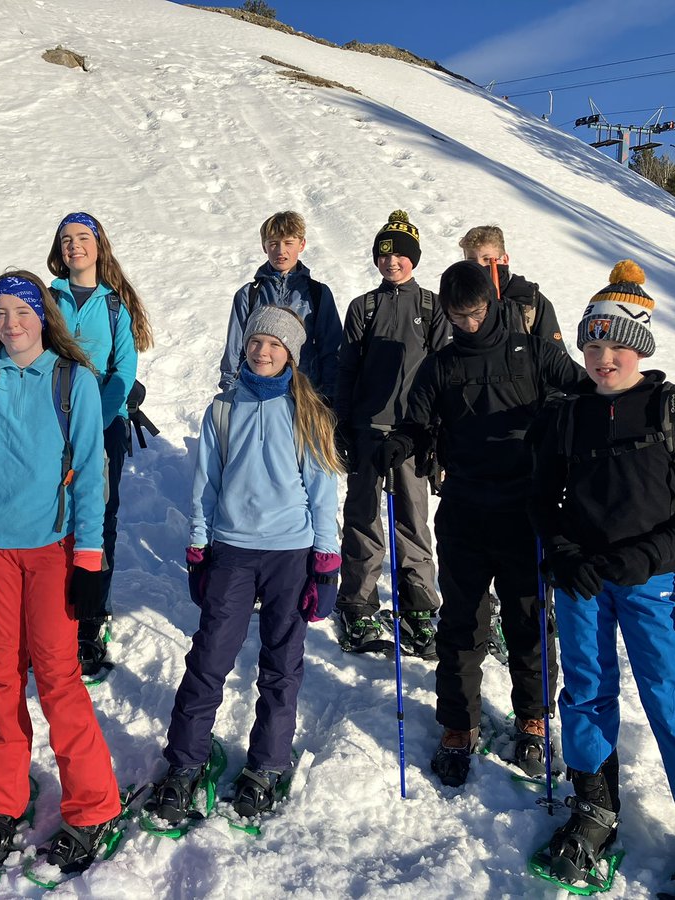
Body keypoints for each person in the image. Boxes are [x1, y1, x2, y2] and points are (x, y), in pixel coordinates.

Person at [529, 261, 675, 898]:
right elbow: (544, 498)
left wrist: (652, 556)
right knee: (586, 692)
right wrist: (564, 554)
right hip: (583, 581)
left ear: (641, 346)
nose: (602, 356)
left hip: (651, 581)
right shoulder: (567, 415)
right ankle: (594, 807)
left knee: (670, 701)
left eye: (616, 342)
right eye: (592, 343)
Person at [0, 271, 122, 874]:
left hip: (53, 550)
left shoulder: (74, 380)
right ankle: (2, 801)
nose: (11, 323)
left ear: (43, 315)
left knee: (59, 678)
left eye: (22, 310)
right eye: (0, 313)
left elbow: (91, 470)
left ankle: (94, 807)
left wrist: (90, 558)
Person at [380, 261, 583, 787]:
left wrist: (559, 425)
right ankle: (457, 724)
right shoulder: (441, 365)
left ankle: (533, 721)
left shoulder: (534, 352)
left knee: (528, 620)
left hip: (526, 511)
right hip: (466, 508)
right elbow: (416, 422)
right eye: (457, 316)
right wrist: (400, 442)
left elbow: (583, 393)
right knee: (463, 623)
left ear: (491, 305)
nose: (468, 324)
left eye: (474, 313)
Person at [148, 306, 341, 826]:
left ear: (291, 356)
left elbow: (323, 494)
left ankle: (268, 764)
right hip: (232, 549)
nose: (263, 352)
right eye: (256, 342)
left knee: (282, 664)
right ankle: (185, 761)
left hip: (291, 555)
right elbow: (205, 485)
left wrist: (326, 561)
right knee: (210, 657)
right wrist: (198, 545)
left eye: (275, 346)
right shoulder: (222, 411)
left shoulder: (308, 414)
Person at [333, 210, 449, 657]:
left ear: (413, 258)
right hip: (367, 430)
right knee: (363, 519)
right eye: (384, 254)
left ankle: (418, 604)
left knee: (413, 521)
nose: (392, 261)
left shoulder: (431, 307)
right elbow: (347, 370)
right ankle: (359, 601)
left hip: (413, 434)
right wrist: (342, 423)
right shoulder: (363, 306)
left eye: (400, 254)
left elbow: (443, 371)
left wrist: (436, 433)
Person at [47, 211, 154, 677]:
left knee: (98, 516)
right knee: (52, 511)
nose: (74, 246)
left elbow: (124, 370)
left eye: (82, 238)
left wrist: (98, 420)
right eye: (66, 239)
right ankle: (53, 609)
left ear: (98, 245)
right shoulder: (48, 297)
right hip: (48, 424)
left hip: (103, 425)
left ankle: (91, 617)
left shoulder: (115, 305)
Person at [218, 210, 342, 403]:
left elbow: (330, 350)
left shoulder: (317, 293)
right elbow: (234, 349)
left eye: (288, 243)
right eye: (273, 243)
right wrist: (229, 392)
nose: (280, 251)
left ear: (302, 244)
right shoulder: (249, 294)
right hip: (255, 393)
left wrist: (329, 397)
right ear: (264, 246)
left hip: (305, 395)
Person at [458, 225, 566, 348]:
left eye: (487, 259)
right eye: (472, 261)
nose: (480, 266)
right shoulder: (458, 300)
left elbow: (555, 355)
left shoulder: (530, 299)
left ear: (504, 260)